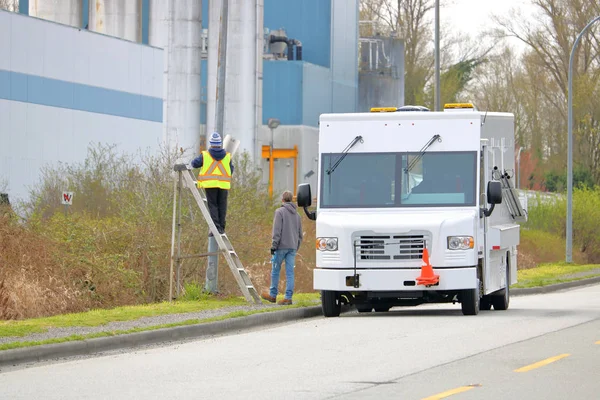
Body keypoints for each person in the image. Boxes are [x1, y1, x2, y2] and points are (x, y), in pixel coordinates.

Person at [261, 190, 303, 305]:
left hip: (280, 247)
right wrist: (296, 246)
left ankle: (273, 295)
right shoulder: (297, 215)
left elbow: (277, 231)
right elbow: (300, 235)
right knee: (290, 273)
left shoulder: (279, 212)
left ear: (283, 200)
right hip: (292, 247)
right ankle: (288, 297)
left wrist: (273, 246)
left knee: (275, 270)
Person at [191, 132, 234, 235]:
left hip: (210, 184)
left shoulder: (205, 155)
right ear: (220, 143)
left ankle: (215, 228)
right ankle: (222, 228)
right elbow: (231, 170)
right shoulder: (227, 156)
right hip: (223, 184)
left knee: (213, 205)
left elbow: (194, 163)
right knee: (222, 205)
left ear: (210, 143)